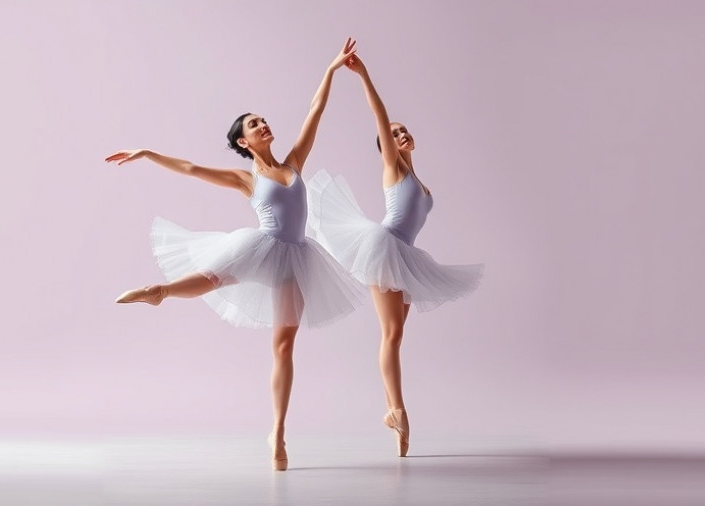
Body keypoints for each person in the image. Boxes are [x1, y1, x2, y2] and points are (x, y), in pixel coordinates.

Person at [105, 38, 363, 471]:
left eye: (264, 120)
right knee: (211, 278)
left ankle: (278, 433)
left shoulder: (294, 162)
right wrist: (148, 153)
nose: (263, 125)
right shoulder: (246, 178)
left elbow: (315, 110)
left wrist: (332, 70)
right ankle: (160, 291)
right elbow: (191, 169)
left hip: (295, 258)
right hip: (259, 248)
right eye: (254, 125)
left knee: (283, 348)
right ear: (244, 143)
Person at [306, 54, 484, 457]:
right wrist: (364, 75)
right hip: (383, 247)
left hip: (405, 254)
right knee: (390, 334)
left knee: (396, 336)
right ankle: (398, 410)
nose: (400, 135)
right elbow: (379, 113)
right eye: (393, 134)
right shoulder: (394, 169)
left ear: (414, 141)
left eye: (405, 132)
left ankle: (393, 414)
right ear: (387, 145)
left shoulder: (420, 181)